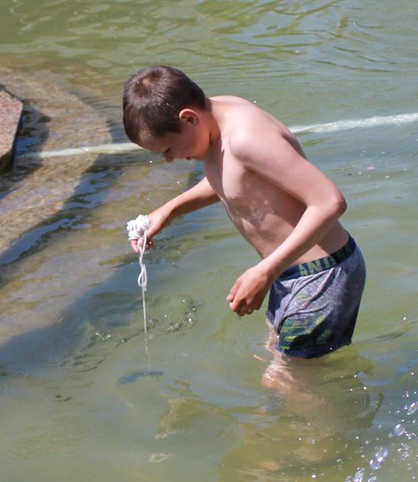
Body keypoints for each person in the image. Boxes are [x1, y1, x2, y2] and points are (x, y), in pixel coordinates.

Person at [123, 65, 366, 361]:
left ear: (189, 118)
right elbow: (232, 178)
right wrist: (170, 210)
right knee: (276, 362)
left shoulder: (246, 137)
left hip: (320, 276)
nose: (171, 160)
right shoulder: (216, 118)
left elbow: (329, 201)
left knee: (288, 383)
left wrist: (266, 271)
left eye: (168, 149)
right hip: (288, 271)